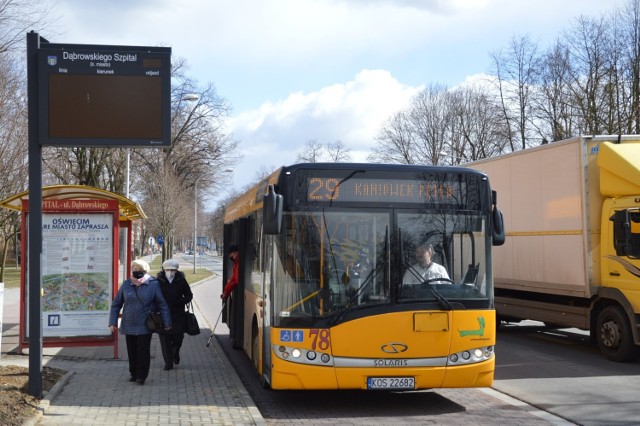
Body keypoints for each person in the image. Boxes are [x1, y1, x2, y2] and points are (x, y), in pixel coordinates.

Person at [109, 259, 172, 385]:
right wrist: (112, 322)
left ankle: (142, 376)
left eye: (139, 269)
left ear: (145, 271)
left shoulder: (153, 284)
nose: (136, 271)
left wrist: (167, 322)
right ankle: (134, 373)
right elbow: (116, 304)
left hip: (145, 323)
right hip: (129, 322)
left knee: (143, 350)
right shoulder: (127, 284)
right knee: (131, 351)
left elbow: (162, 304)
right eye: (134, 269)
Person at [156, 258, 193, 371]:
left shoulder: (181, 280)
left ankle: (175, 352)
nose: (170, 272)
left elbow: (189, 295)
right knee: (165, 338)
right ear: (164, 270)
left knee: (178, 337)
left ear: (176, 271)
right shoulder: (158, 281)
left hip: (178, 313)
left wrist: (181, 301)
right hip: (163, 314)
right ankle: (168, 362)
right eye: (168, 270)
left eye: (173, 270)